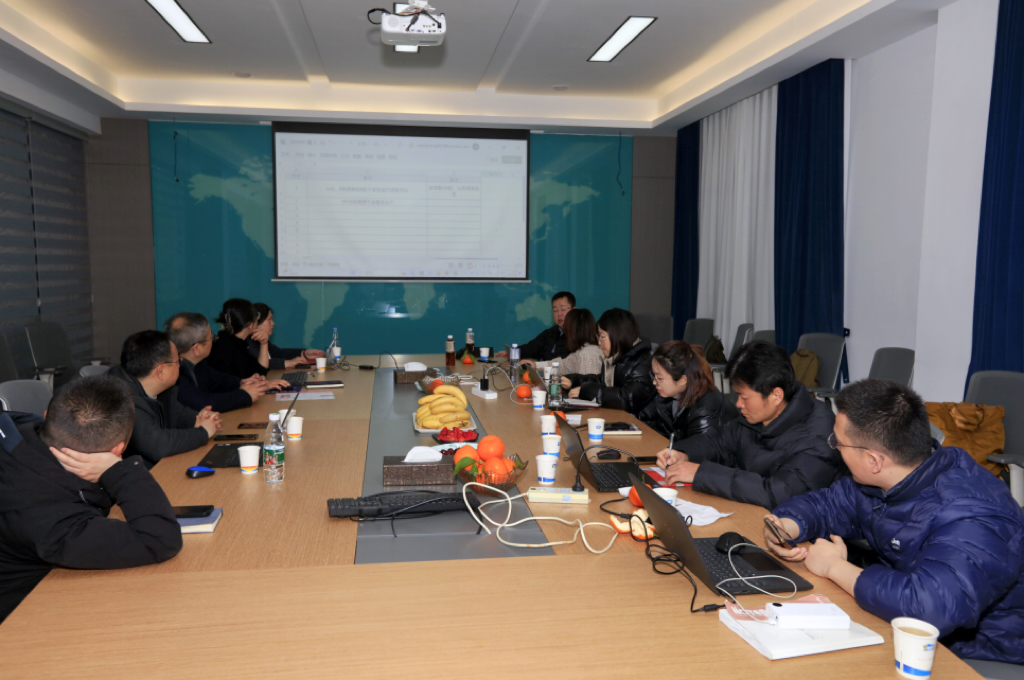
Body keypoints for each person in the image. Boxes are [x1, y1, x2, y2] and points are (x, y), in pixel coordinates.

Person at [764, 379, 1024, 665]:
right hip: (904, 620)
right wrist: (787, 525)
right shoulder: (889, 477)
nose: (834, 448)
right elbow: (827, 504)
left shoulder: (974, 515)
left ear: (874, 461)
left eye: (838, 442)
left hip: (985, 646)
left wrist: (834, 567)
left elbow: (930, 608)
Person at [0, 376, 182, 622]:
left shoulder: (20, 435)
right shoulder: (54, 523)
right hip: (17, 619)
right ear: (118, 450)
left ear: (46, 417)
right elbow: (159, 539)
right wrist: (117, 472)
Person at [656, 340, 840, 508]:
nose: (738, 404)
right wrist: (684, 453)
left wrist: (702, 473)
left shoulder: (818, 434)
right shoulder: (755, 417)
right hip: (749, 510)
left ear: (776, 395)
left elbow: (780, 492)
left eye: (744, 397)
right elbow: (718, 442)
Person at [108, 330, 219, 467]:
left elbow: (179, 414)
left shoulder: (160, 390)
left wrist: (201, 419)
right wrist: (203, 433)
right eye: (177, 361)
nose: (180, 365)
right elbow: (158, 445)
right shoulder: (120, 399)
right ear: (160, 371)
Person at [165, 312, 287, 413]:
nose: (214, 341)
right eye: (211, 338)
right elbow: (204, 403)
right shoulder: (174, 374)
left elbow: (219, 380)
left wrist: (243, 382)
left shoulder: (198, 364)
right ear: (196, 349)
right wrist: (245, 395)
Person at [639, 340, 738, 445]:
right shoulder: (669, 394)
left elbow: (699, 451)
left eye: (659, 378)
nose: (654, 382)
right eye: (653, 375)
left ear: (683, 380)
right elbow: (647, 420)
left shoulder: (705, 410)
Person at [563, 308, 656, 417]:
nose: (599, 342)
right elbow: (601, 381)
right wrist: (574, 381)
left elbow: (626, 399)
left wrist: (587, 391)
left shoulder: (644, 363)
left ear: (618, 335)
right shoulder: (616, 358)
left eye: (602, 337)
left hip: (640, 424)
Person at [498, 291, 575, 360]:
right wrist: (512, 353)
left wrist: (538, 365)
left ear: (574, 310)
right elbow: (531, 348)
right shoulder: (551, 332)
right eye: (555, 310)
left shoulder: (578, 335)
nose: (559, 314)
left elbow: (566, 363)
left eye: (563, 309)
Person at [205, 298, 270, 379]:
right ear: (249, 324)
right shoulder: (225, 347)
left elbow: (261, 371)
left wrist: (264, 344)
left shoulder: (238, 343)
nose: (257, 319)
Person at [248, 303, 324, 370]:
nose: (273, 323)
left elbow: (279, 353)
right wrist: (288, 363)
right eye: (269, 319)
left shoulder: (260, 340)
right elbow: (259, 363)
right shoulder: (248, 343)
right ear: (257, 321)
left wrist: (304, 353)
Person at [549, 308, 603, 376]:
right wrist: (537, 365)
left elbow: (588, 382)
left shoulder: (587, 353)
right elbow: (563, 366)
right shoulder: (582, 351)